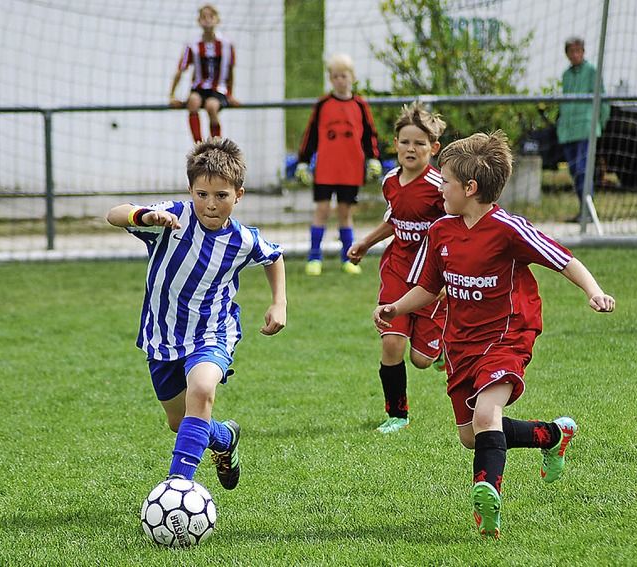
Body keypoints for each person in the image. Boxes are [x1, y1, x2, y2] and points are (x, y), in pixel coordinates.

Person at [373, 130, 615, 538]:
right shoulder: (442, 231)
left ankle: (487, 498)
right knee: (473, 436)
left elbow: (563, 259)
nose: (439, 187)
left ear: (470, 188)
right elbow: (429, 288)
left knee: (487, 414)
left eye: (445, 181)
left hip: (508, 335)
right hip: (460, 343)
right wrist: (396, 307)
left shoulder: (509, 228)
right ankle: (554, 434)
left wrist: (595, 291)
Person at [106, 137, 287, 490]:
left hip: (212, 332)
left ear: (239, 195)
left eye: (222, 195)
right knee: (181, 422)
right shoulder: (171, 218)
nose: (211, 204)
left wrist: (279, 302)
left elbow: (274, 256)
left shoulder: (242, 240)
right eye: (202, 194)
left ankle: (179, 487)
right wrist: (144, 215)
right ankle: (224, 439)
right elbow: (114, 213)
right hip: (162, 336)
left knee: (202, 390)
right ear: (190, 190)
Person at [347, 102, 447, 434]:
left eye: (420, 143)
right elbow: (394, 219)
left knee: (421, 360)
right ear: (395, 144)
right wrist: (366, 242)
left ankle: (443, 336)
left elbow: (452, 230)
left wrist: (449, 275)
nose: (411, 148)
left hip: (431, 280)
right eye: (405, 141)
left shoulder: (440, 188)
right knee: (391, 342)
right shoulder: (390, 181)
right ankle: (397, 415)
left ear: (433, 149)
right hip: (396, 269)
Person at [295, 53, 381, 276]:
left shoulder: (360, 105)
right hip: (326, 168)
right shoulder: (323, 104)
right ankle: (314, 257)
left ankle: (348, 258)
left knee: (345, 212)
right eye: (335, 76)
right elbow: (311, 134)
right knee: (321, 210)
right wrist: (303, 161)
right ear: (330, 79)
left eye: (343, 75)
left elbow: (369, 135)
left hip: (350, 169)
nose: (340, 80)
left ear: (351, 77)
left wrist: (373, 158)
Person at [169, 4, 240, 142]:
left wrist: (230, 94)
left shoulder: (226, 43)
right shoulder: (193, 44)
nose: (207, 20)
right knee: (193, 101)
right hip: (199, 88)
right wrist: (172, 95)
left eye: (211, 17)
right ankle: (199, 145)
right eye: (203, 17)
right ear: (199, 21)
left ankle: (215, 146)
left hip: (218, 89)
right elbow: (181, 70)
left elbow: (230, 71)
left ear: (217, 20)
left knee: (211, 106)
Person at [557, 36, 610, 222]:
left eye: (578, 51)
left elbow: (602, 98)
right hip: (568, 131)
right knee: (573, 171)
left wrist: (599, 123)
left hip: (585, 129)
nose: (575, 54)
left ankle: (588, 211)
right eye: (571, 51)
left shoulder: (592, 71)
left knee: (583, 170)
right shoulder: (566, 75)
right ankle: (583, 210)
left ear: (583, 52)